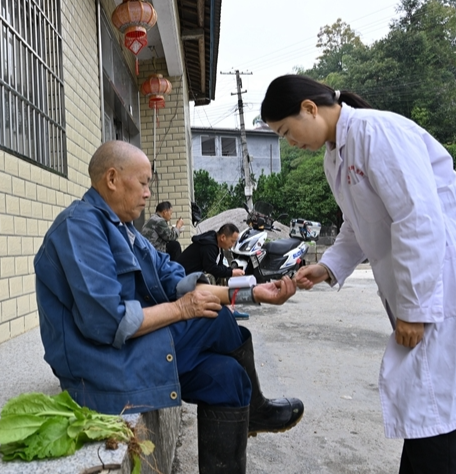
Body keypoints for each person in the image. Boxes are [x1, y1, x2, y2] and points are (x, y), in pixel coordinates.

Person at [260, 74, 456, 474]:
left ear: (309, 108)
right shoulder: (335, 155)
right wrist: (328, 267)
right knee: (433, 403)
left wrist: (414, 309)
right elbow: (355, 225)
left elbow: (417, 219)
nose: (290, 142)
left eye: (287, 131)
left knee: (445, 403)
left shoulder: (378, 133)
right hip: (429, 279)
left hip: (449, 275)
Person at [34, 141, 304, 474]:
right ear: (113, 178)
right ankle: (258, 409)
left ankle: (252, 409)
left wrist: (252, 292)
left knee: (229, 377)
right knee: (213, 317)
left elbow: (174, 278)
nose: (149, 193)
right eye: (144, 182)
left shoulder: (124, 231)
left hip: (133, 350)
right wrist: (182, 309)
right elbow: (107, 322)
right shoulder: (80, 228)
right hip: (98, 367)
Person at [178, 223, 249, 319]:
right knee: (210, 277)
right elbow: (210, 268)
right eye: (232, 241)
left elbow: (218, 266)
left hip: (193, 275)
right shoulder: (209, 246)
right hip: (182, 278)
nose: (232, 245)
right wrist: (231, 272)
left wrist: (231, 271)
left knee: (222, 275)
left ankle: (228, 308)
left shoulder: (217, 245)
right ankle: (218, 308)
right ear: (223, 237)